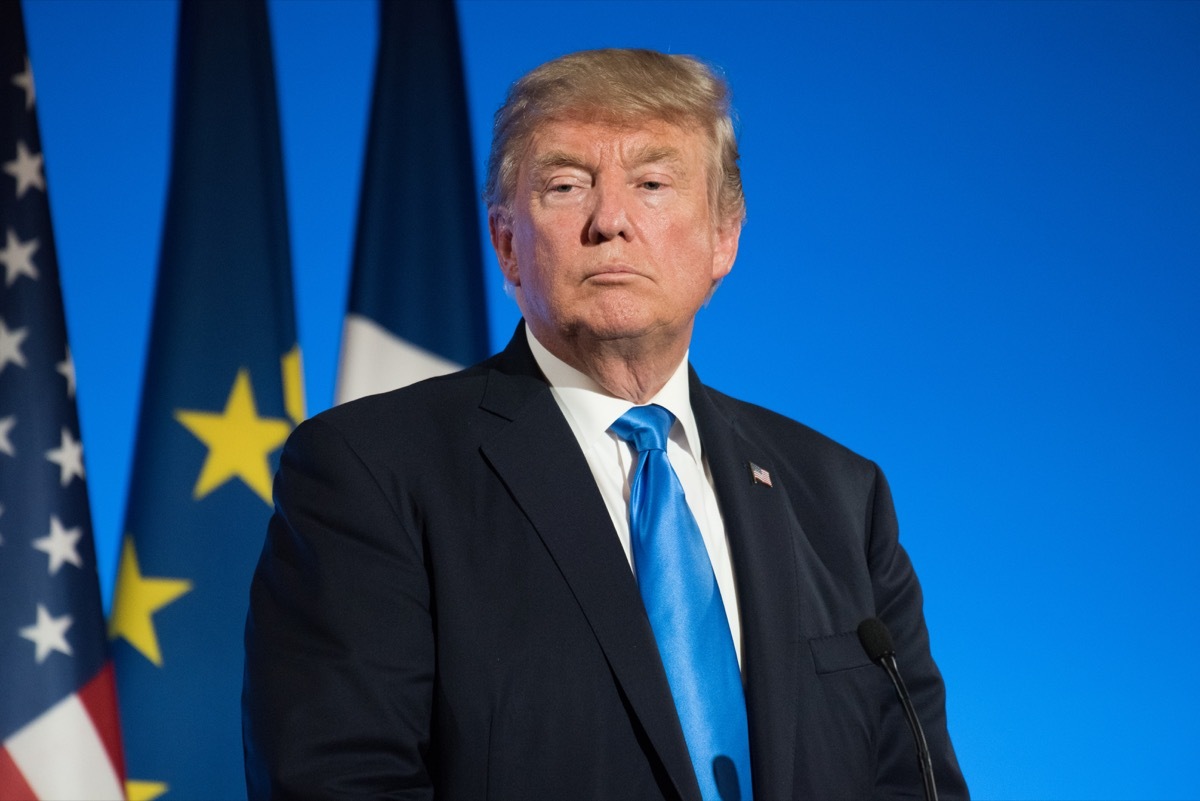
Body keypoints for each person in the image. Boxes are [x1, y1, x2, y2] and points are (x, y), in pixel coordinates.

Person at [242, 48, 968, 800]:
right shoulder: (372, 470)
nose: (610, 221)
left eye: (652, 184)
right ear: (506, 244)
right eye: (565, 186)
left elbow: (915, 781)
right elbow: (340, 780)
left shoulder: (841, 497)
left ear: (725, 236)